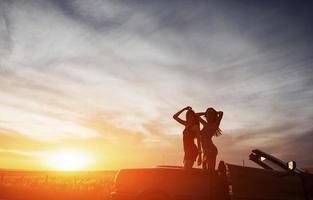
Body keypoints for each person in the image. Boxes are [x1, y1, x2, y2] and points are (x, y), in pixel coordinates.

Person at [197, 107, 223, 172]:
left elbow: (221, 113)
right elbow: (195, 115)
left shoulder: (215, 125)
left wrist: (215, 112)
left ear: (213, 116)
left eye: (211, 114)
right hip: (205, 151)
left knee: (210, 171)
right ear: (206, 116)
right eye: (208, 114)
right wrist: (205, 113)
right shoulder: (205, 124)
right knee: (205, 171)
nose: (209, 116)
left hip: (211, 151)